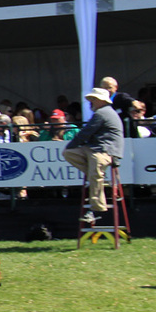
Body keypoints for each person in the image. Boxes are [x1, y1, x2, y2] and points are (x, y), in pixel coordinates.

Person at [63, 87, 124, 224]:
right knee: (70, 154)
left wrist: (71, 145)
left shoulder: (102, 113)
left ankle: (95, 209)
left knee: (93, 167)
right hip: (97, 149)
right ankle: (98, 179)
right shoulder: (104, 112)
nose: (90, 102)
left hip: (105, 151)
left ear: (101, 100)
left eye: (93, 99)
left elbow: (85, 133)